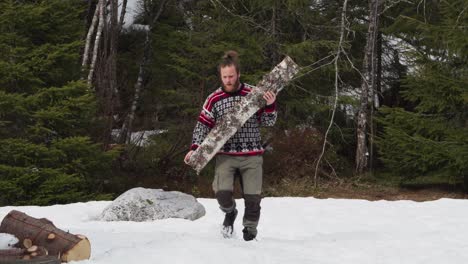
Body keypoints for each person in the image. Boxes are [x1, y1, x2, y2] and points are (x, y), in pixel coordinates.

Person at [184, 50, 277, 241]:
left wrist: (270, 105)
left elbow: (268, 122)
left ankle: (250, 231)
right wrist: (195, 148)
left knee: (253, 198)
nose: (228, 80)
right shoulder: (213, 99)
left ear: (238, 74)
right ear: (220, 75)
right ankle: (230, 212)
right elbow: (202, 126)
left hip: (251, 154)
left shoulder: (253, 94)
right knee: (222, 193)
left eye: (231, 76)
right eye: (224, 76)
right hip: (225, 155)